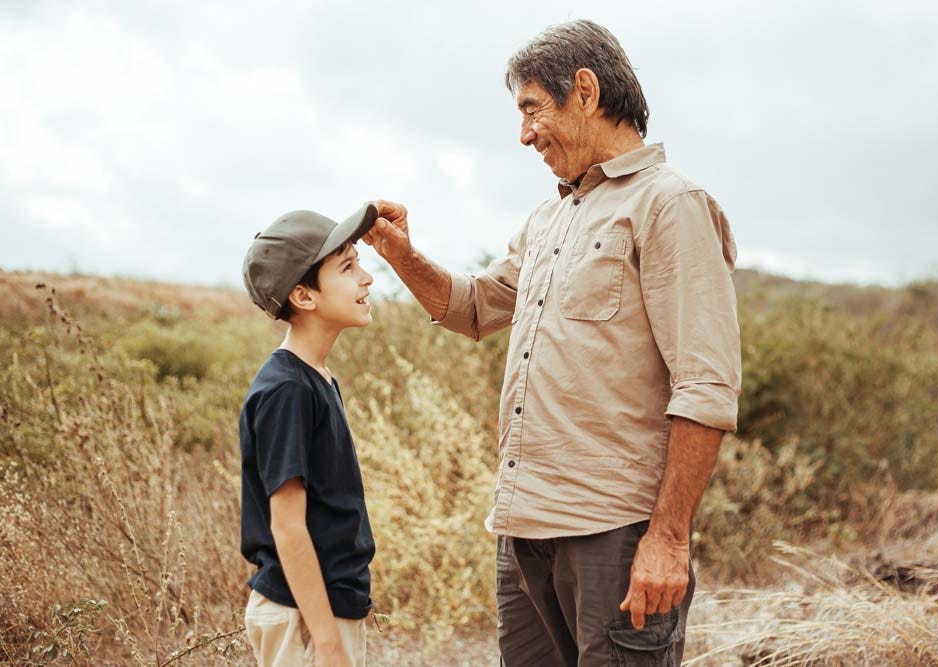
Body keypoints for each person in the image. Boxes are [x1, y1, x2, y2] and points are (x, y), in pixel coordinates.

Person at [364, 19, 741, 666]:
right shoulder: (549, 216)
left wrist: (668, 538)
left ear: (586, 92)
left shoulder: (670, 205)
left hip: (615, 536)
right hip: (521, 533)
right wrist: (402, 256)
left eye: (533, 109)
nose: (524, 134)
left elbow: (706, 385)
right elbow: (477, 307)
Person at [239, 205, 379, 667]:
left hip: (323, 608)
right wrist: (325, 640)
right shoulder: (288, 390)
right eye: (347, 267)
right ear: (303, 295)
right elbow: (288, 525)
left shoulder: (315, 377)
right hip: (302, 617)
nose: (367, 279)